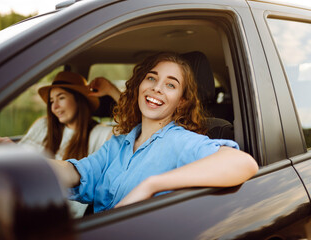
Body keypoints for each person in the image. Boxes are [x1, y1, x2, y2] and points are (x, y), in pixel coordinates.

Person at [50, 52, 259, 213]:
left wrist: (151, 185)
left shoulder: (179, 140)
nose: (157, 88)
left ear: (181, 102)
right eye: (151, 78)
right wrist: (28, 166)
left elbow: (244, 164)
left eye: (170, 84)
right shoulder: (119, 143)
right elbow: (78, 172)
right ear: (139, 86)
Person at [0, 71, 121, 217]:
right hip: (24, 202)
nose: (54, 106)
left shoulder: (100, 133)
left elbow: (135, 126)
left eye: (61, 98)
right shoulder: (43, 126)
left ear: (79, 100)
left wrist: (111, 90)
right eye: (51, 101)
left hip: (55, 214)